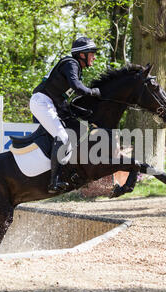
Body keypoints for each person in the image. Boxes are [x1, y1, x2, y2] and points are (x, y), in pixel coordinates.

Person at [31, 37, 101, 193]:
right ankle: (53, 182)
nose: (94, 57)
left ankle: (73, 172)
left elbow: (62, 100)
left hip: (52, 104)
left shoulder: (75, 68)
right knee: (63, 137)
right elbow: (77, 88)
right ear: (82, 54)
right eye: (92, 53)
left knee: (79, 130)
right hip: (42, 102)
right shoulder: (71, 63)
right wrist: (93, 92)